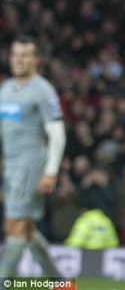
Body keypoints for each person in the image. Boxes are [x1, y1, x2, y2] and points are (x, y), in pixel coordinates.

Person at [0, 36, 66, 281]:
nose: (19, 60)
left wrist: (51, 171)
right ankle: (61, 284)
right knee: (27, 229)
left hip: (30, 164)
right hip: (10, 166)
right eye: (15, 55)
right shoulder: (6, 89)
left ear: (36, 59)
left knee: (14, 225)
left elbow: (57, 133)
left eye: (25, 55)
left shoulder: (43, 90)